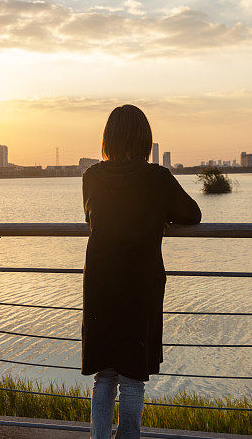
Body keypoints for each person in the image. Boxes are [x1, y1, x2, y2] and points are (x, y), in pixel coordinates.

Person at [81, 104, 202, 438]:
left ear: (108, 138)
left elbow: (92, 217)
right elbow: (192, 214)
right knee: (132, 376)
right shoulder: (157, 178)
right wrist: (158, 215)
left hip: (100, 283)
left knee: (104, 374)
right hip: (140, 283)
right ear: (145, 138)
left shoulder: (91, 177)